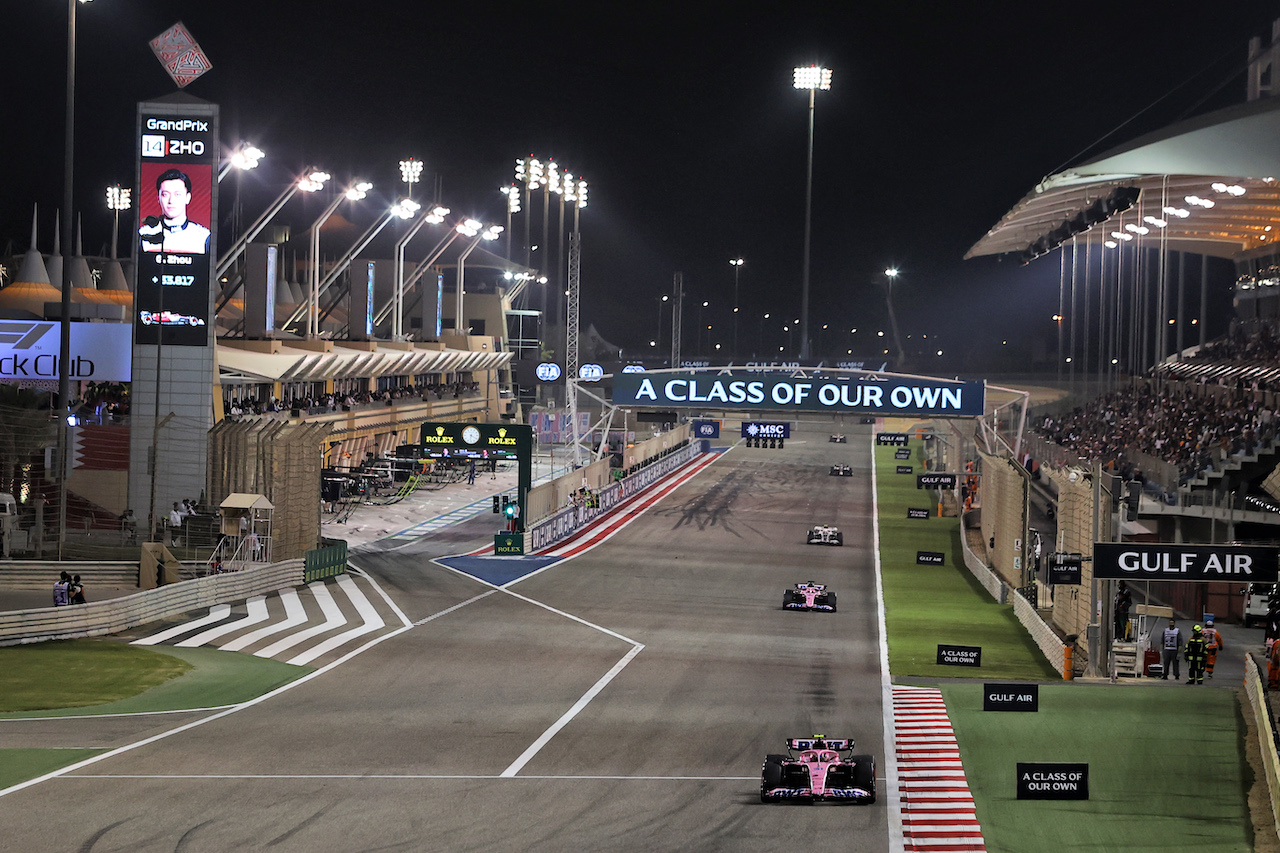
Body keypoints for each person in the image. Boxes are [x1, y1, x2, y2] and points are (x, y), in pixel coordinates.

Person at [139, 168, 211, 253]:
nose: (171, 201)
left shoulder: (203, 236)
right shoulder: (143, 234)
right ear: (158, 198)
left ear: (188, 198)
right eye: (165, 194)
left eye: (177, 194)